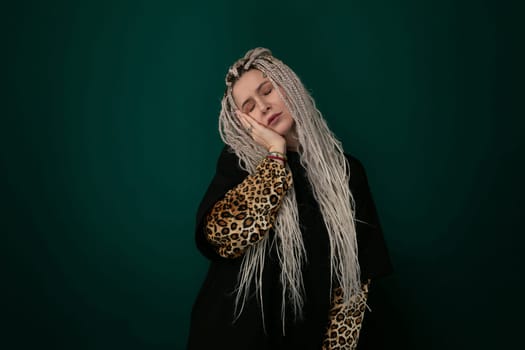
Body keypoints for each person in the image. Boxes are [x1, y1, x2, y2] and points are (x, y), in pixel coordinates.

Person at [187, 48, 392, 350]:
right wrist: (275, 154)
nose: (264, 106)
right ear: (245, 122)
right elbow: (223, 238)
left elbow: (355, 283)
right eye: (250, 106)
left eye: (267, 90)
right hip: (230, 336)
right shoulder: (239, 163)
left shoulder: (346, 173)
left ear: (289, 85)